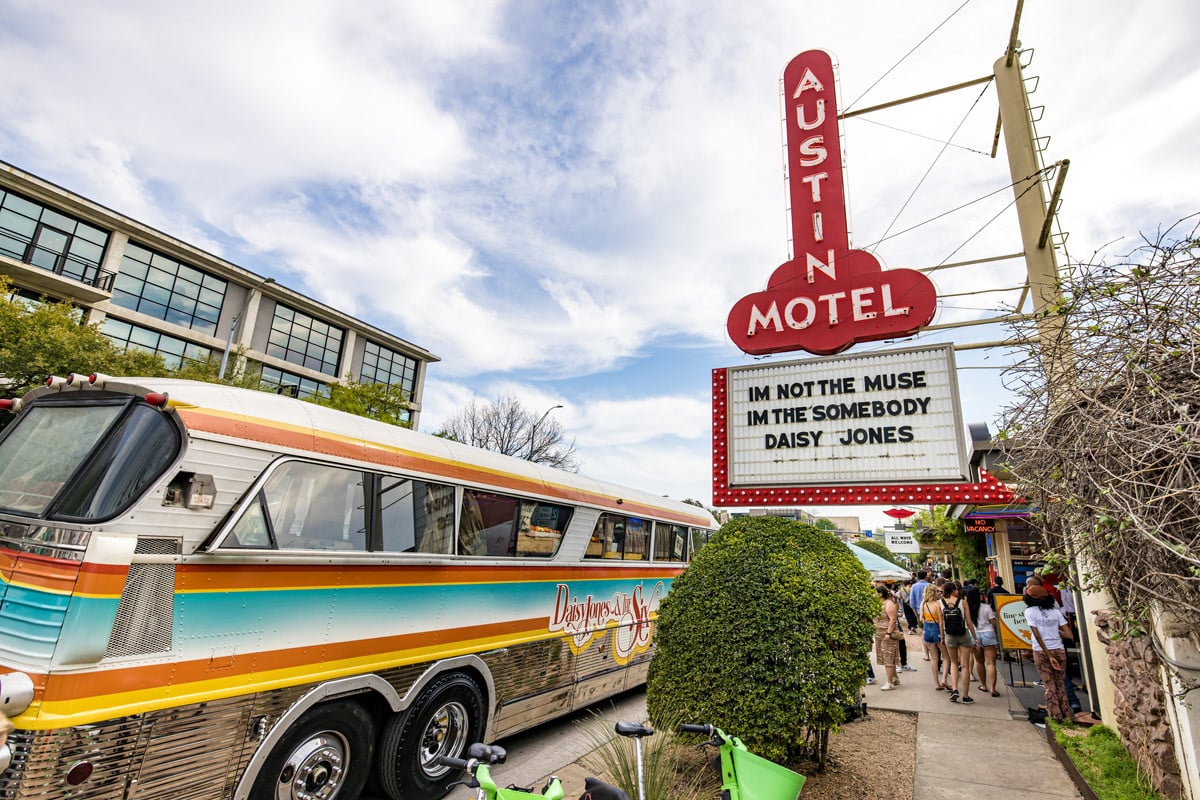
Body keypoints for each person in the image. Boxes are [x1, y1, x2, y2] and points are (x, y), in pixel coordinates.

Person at [1024, 585, 1073, 722]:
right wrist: (1056, 632)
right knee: (1060, 685)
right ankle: (1066, 716)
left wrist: (1049, 655)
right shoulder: (1055, 612)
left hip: (1041, 651)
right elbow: (1069, 635)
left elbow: (1037, 635)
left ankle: (1055, 718)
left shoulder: (1029, 612)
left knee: (1049, 686)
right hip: (1059, 649)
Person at [940, 581, 976, 703]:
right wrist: (975, 637)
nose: (957, 590)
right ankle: (965, 696)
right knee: (965, 665)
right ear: (952, 590)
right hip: (963, 633)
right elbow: (969, 622)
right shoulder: (963, 602)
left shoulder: (940, 603)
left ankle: (954, 689)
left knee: (954, 663)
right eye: (955, 589)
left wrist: (942, 637)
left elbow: (941, 623)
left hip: (949, 635)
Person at [920, 584, 951, 690]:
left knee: (934, 658)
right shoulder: (938, 605)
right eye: (937, 591)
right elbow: (941, 622)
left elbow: (921, 619)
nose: (939, 593)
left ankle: (937, 683)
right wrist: (942, 637)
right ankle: (944, 679)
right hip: (936, 629)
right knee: (946, 657)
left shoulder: (924, 604)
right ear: (933, 593)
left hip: (927, 630)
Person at [873, 584, 902, 691]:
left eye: (875, 593)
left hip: (887, 635)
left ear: (880, 594)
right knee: (886, 657)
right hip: (879, 634)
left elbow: (893, 620)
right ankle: (894, 678)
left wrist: (888, 633)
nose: (873, 595)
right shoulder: (879, 604)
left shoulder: (889, 604)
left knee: (888, 657)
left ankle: (889, 683)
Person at [973, 595, 1001, 697]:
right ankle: (993, 688)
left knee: (979, 662)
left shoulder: (969, 608)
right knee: (991, 663)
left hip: (975, 634)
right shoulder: (987, 607)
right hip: (988, 633)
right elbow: (993, 622)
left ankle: (984, 685)